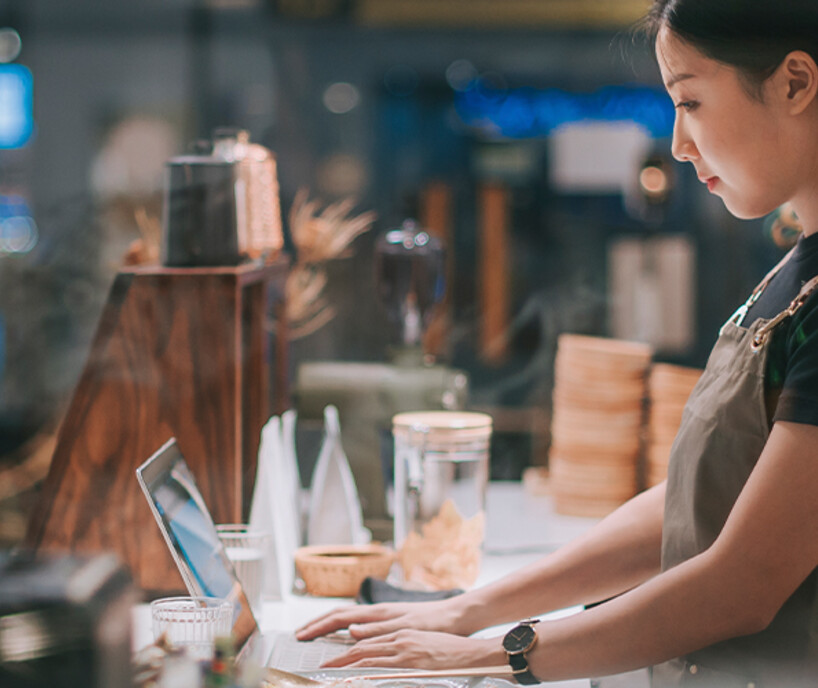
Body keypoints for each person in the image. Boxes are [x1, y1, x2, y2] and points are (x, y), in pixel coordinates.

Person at [295, 1, 818, 685]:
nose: (679, 144)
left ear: (796, 83)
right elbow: (696, 502)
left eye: (689, 101)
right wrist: (466, 609)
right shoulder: (793, 269)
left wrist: (493, 651)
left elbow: (742, 584)